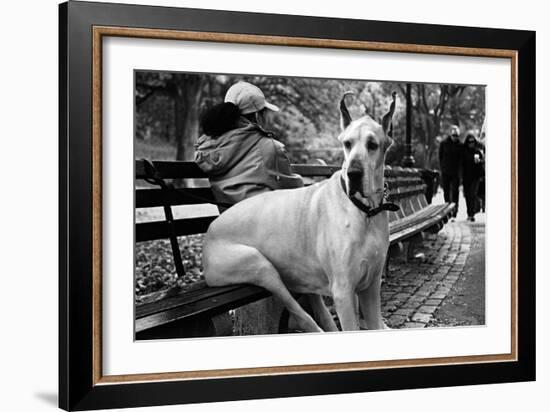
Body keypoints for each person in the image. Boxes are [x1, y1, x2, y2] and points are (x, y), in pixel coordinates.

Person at [194, 81, 303, 206]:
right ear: (257, 115)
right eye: (264, 112)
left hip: (228, 220)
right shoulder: (270, 147)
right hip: (261, 220)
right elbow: (293, 189)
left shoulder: (210, 148)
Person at [438, 125, 463, 217]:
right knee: (446, 191)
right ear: (450, 135)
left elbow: (461, 160)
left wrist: (460, 172)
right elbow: (440, 157)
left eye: (456, 136)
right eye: (453, 135)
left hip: (455, 172)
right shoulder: (443, 144)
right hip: (446, 171)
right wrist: (442, 168)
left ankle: (455, 211)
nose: (455, 137)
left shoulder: (460, 145)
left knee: (455, 192)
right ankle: (447, 209)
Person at [462, 133, 485, 221]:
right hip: (466, 177)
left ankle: (472, 213)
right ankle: (469, 213)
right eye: (469, 142)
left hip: (475, 177)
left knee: (473, 194)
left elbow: (482, 163)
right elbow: (461, 164)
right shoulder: (464, 152)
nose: (471, 143)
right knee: (467, 195)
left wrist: (480, 161)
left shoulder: (477, 152)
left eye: (472, 142)